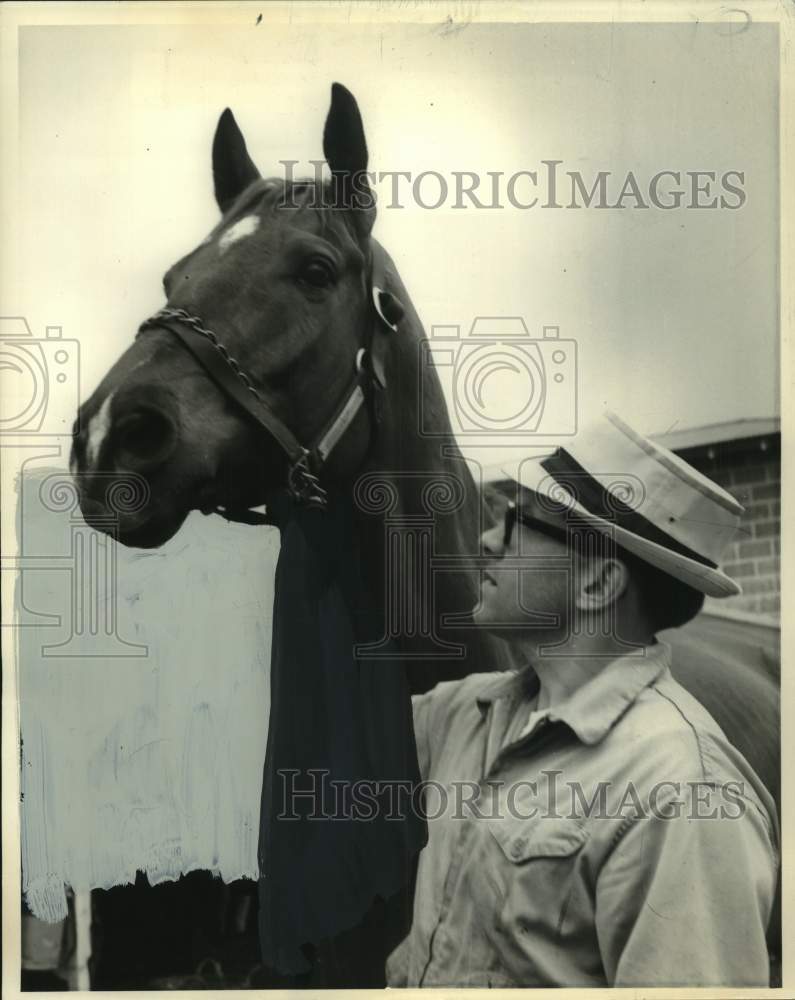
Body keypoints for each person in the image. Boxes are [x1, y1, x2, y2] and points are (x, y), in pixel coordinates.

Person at [385, 410, 779, 988]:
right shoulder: (464, 713)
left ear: (598, 584)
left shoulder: (681, 789)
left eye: (519, 522)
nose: (489, 541)